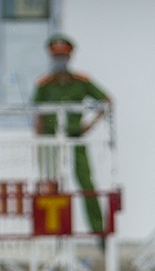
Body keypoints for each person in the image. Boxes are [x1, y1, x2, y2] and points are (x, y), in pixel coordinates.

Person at [32, 33, 110, 234]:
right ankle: (54, 232)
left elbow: (106, 101)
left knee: (87, 185)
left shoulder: (81, 82)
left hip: (75, 140)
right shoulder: (44, 85)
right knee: (51, 186)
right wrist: (38, 144)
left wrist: (89, 125)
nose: (60, 61)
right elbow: (36, 115)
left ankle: (98, 231)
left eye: (63, 57)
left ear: (69, 57)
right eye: (56, 57)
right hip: (50, 142)